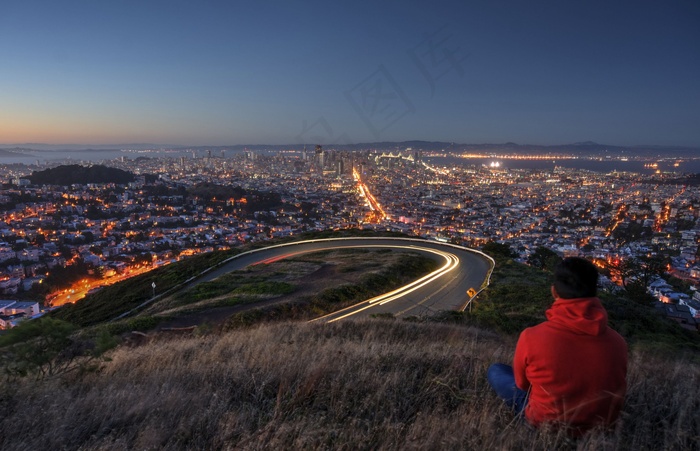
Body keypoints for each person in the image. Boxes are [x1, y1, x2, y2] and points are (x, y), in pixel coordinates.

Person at [487, 257, 628, 436]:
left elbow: (522, 385)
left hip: (544, 425)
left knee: (496, 370)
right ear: (594, 293)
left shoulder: (532, 336)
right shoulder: (618, 342)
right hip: (600, 429)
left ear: (554, 292)